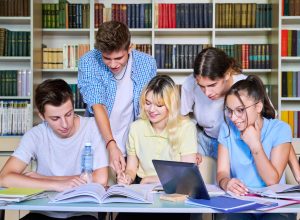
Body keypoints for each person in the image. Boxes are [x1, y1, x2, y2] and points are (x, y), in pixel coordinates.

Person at [181, 47, 300, 182]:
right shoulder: (190, 83)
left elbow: (277, 129)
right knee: (191, 182)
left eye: (212, 85)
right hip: (205, 139)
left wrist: (297, 171)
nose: (206, 93)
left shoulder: (243, 87)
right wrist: (188, 148)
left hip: (235, 141)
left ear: (227, 74)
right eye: (201, 86)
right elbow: (183, 119)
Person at [0, 79, 108, 220]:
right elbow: (4, 178)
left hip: (82, 213)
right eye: (55, 118)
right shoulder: (35, 134)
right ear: (41, 116)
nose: (65, 124)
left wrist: (43, 179)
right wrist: (57, 184)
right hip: (42, 212)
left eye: (68, 114)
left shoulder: (93, 127)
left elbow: (100, 180)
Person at [78, 21, 157, 174]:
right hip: (99, 142)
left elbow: (150, 107)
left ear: (130, 48)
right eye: (107, 58)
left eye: (119, 58)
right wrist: (111, 144)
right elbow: (97, 105)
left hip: (133, 145)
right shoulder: (88, 61)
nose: (113, 64)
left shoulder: (147, 64)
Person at [116, 75, 197, 220]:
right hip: (142, 191)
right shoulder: (136, 128)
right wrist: (126, 178)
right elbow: (131, 169)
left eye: (159, 105)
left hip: (174, 193)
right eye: (147, 103)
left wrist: (151, 179)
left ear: (171, 105)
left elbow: (187, 176)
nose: (151, 110)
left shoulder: (186, 127)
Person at [216, 75, 296, 220]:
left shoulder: (280, 129)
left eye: (240, 110)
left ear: (258, 106)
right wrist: (226, 182)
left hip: (274, 207)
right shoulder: (226, 129)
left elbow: (272, 180)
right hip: (240, 204)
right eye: (229, 110)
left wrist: (255, 145)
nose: (233, 117)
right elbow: (222, 172)